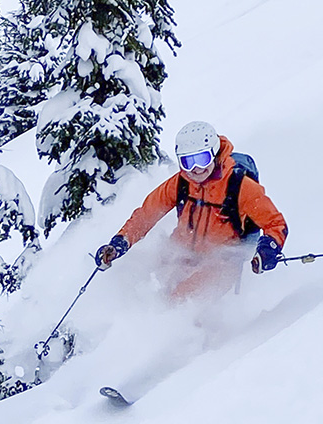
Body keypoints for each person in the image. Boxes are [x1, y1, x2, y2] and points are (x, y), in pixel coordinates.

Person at [95, 121, 288, 299]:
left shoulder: (239, 186)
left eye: (202, 159)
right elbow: (146, 215)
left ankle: (195, 333)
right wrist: (121, 242)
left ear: (215, 154)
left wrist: (267, 250)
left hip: (222, 262)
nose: (195, 169)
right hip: (181, 251)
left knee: (179, 299)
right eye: (188, 162)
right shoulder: (181, 183)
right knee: (139, 282)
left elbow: (275, 224)